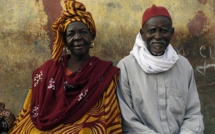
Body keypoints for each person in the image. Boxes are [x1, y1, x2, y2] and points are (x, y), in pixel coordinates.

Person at [9, 0, 122, 133]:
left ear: (92, 36)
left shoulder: (103, 72)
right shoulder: (49, 70)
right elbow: (32, 108)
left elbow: (108, 114)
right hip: (46, 126)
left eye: (83, 32)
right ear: (65, 41)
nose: (77, 37)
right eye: (71, 34)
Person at [116, 4, 204, 134]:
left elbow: (193, 114)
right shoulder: (126, 68)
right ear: (142, 34)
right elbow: (128, 121)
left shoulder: (184, 66)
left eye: (164, 30)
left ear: (172, 33)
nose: (158, 36)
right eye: (152, 31)